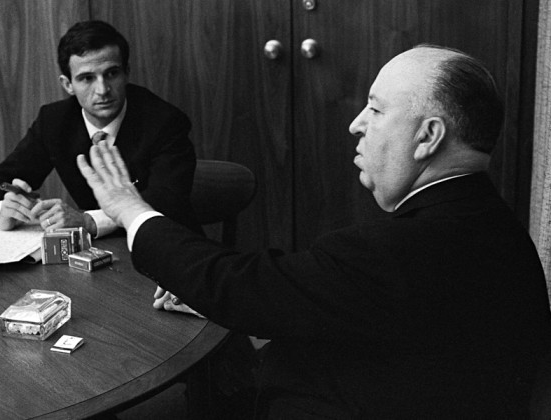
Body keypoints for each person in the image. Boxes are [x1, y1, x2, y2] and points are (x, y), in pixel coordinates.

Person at [77, 45, 551, 418]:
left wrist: (130, 209)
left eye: (376, 110)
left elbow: (245, 286)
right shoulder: (497, 228)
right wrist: (232, 298)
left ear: (428, 137)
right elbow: (345, 304)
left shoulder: (399, 251)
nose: (356, 124)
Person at [0, 20, 200, 238]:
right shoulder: (54, 121)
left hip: (164, 244)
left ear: (126, 73)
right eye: (87, 78)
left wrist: (89, 221)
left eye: (111, 73)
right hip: (96, 251)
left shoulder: (165, 122)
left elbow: (166, 201)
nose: (102, 90)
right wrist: (3, 212)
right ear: (68, 85)